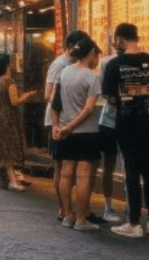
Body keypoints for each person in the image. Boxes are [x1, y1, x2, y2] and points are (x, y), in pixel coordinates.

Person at [103, 23, 149, 238]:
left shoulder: (115, 65)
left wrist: (127, 98)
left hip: (127, 123)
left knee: (131, 172)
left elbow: (110, 98)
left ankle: (134, 223)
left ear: (120, 39)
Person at [50, 37, 103, 231]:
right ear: (91, 54)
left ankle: (67, 215)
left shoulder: (64, 73)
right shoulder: (92, 76)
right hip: (86, 132)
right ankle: (81, 219)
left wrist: (58, 127)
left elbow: (55, 104)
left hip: (65, 130)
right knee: (83, 176)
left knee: (65, 174)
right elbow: (89, 110)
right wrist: (69, 128)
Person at [44, 31, 90, 201]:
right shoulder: (60, 64)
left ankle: (68, 209)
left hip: (69, 121)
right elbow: (48, 94)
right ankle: (63, 209)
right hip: (58, 121)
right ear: (71, 46)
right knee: (62, 166)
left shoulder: (74, 64)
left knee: (68, 168)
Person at [0, 54, 38, 191]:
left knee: (5, 148)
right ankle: (12, 180)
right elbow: (14, 102)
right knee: (9, 149)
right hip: (10, 118)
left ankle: (11, 177)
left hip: (2, 116)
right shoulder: (9, 81)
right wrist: (28, 96)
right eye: (10, 62)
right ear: (7, 65)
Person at [94, 51, 123, 224]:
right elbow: (105, 93)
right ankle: (108, 206)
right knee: (109, 164)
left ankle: (128, 208)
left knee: (125, 165)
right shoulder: (107, 62)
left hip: (123, 120)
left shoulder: (140, 61)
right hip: (110, 120)